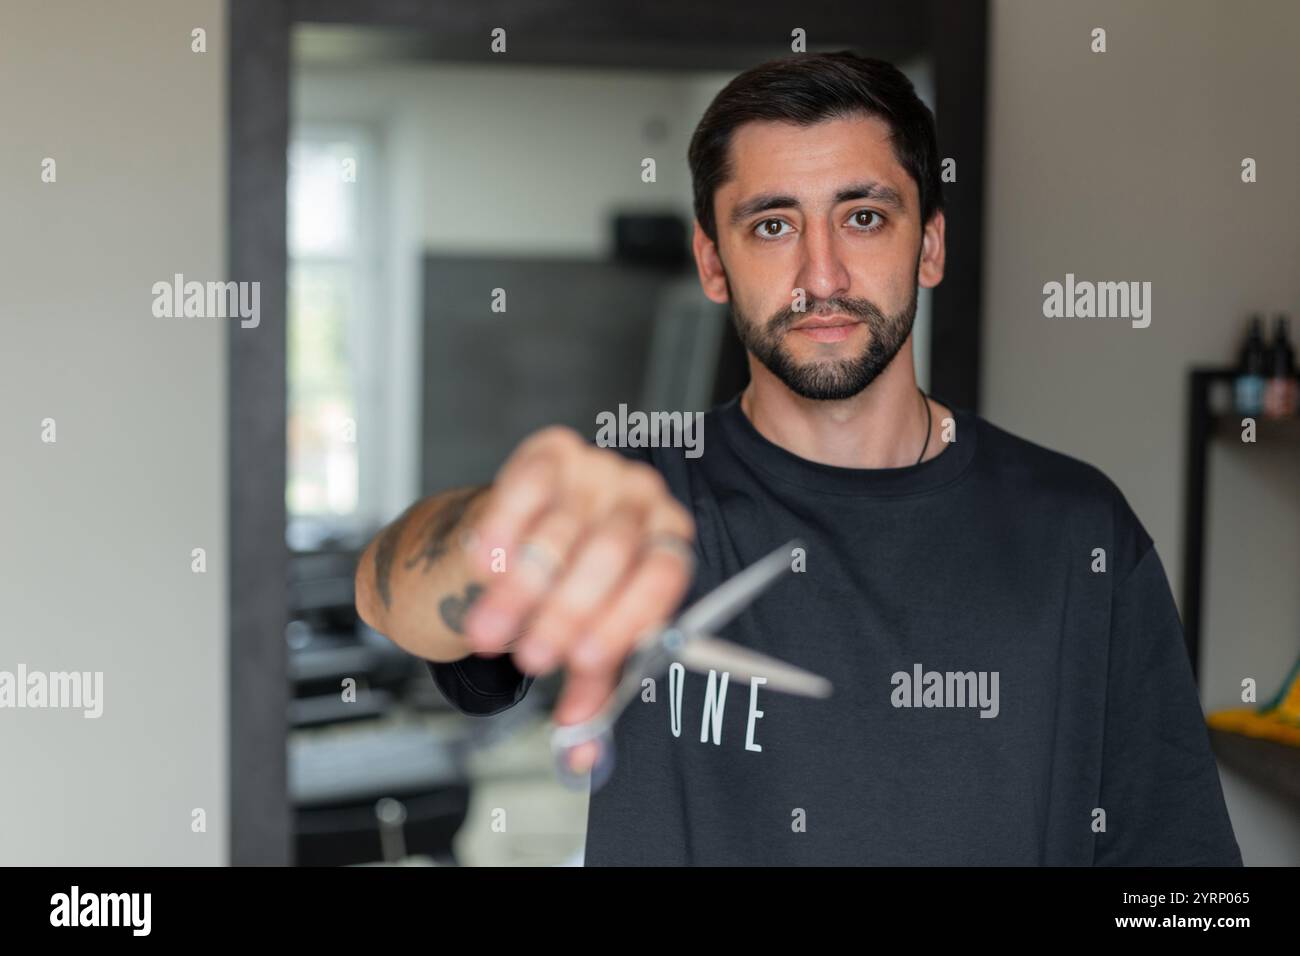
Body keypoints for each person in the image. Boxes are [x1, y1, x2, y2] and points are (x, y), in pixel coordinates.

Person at [354, 51, 1242, 866]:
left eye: (863, 216)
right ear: (713, 262)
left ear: (929, 244)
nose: (822, 275)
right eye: (773, 226)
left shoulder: (1079, 530)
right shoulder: (638, 503)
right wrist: (492, 528)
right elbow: (394, 598)